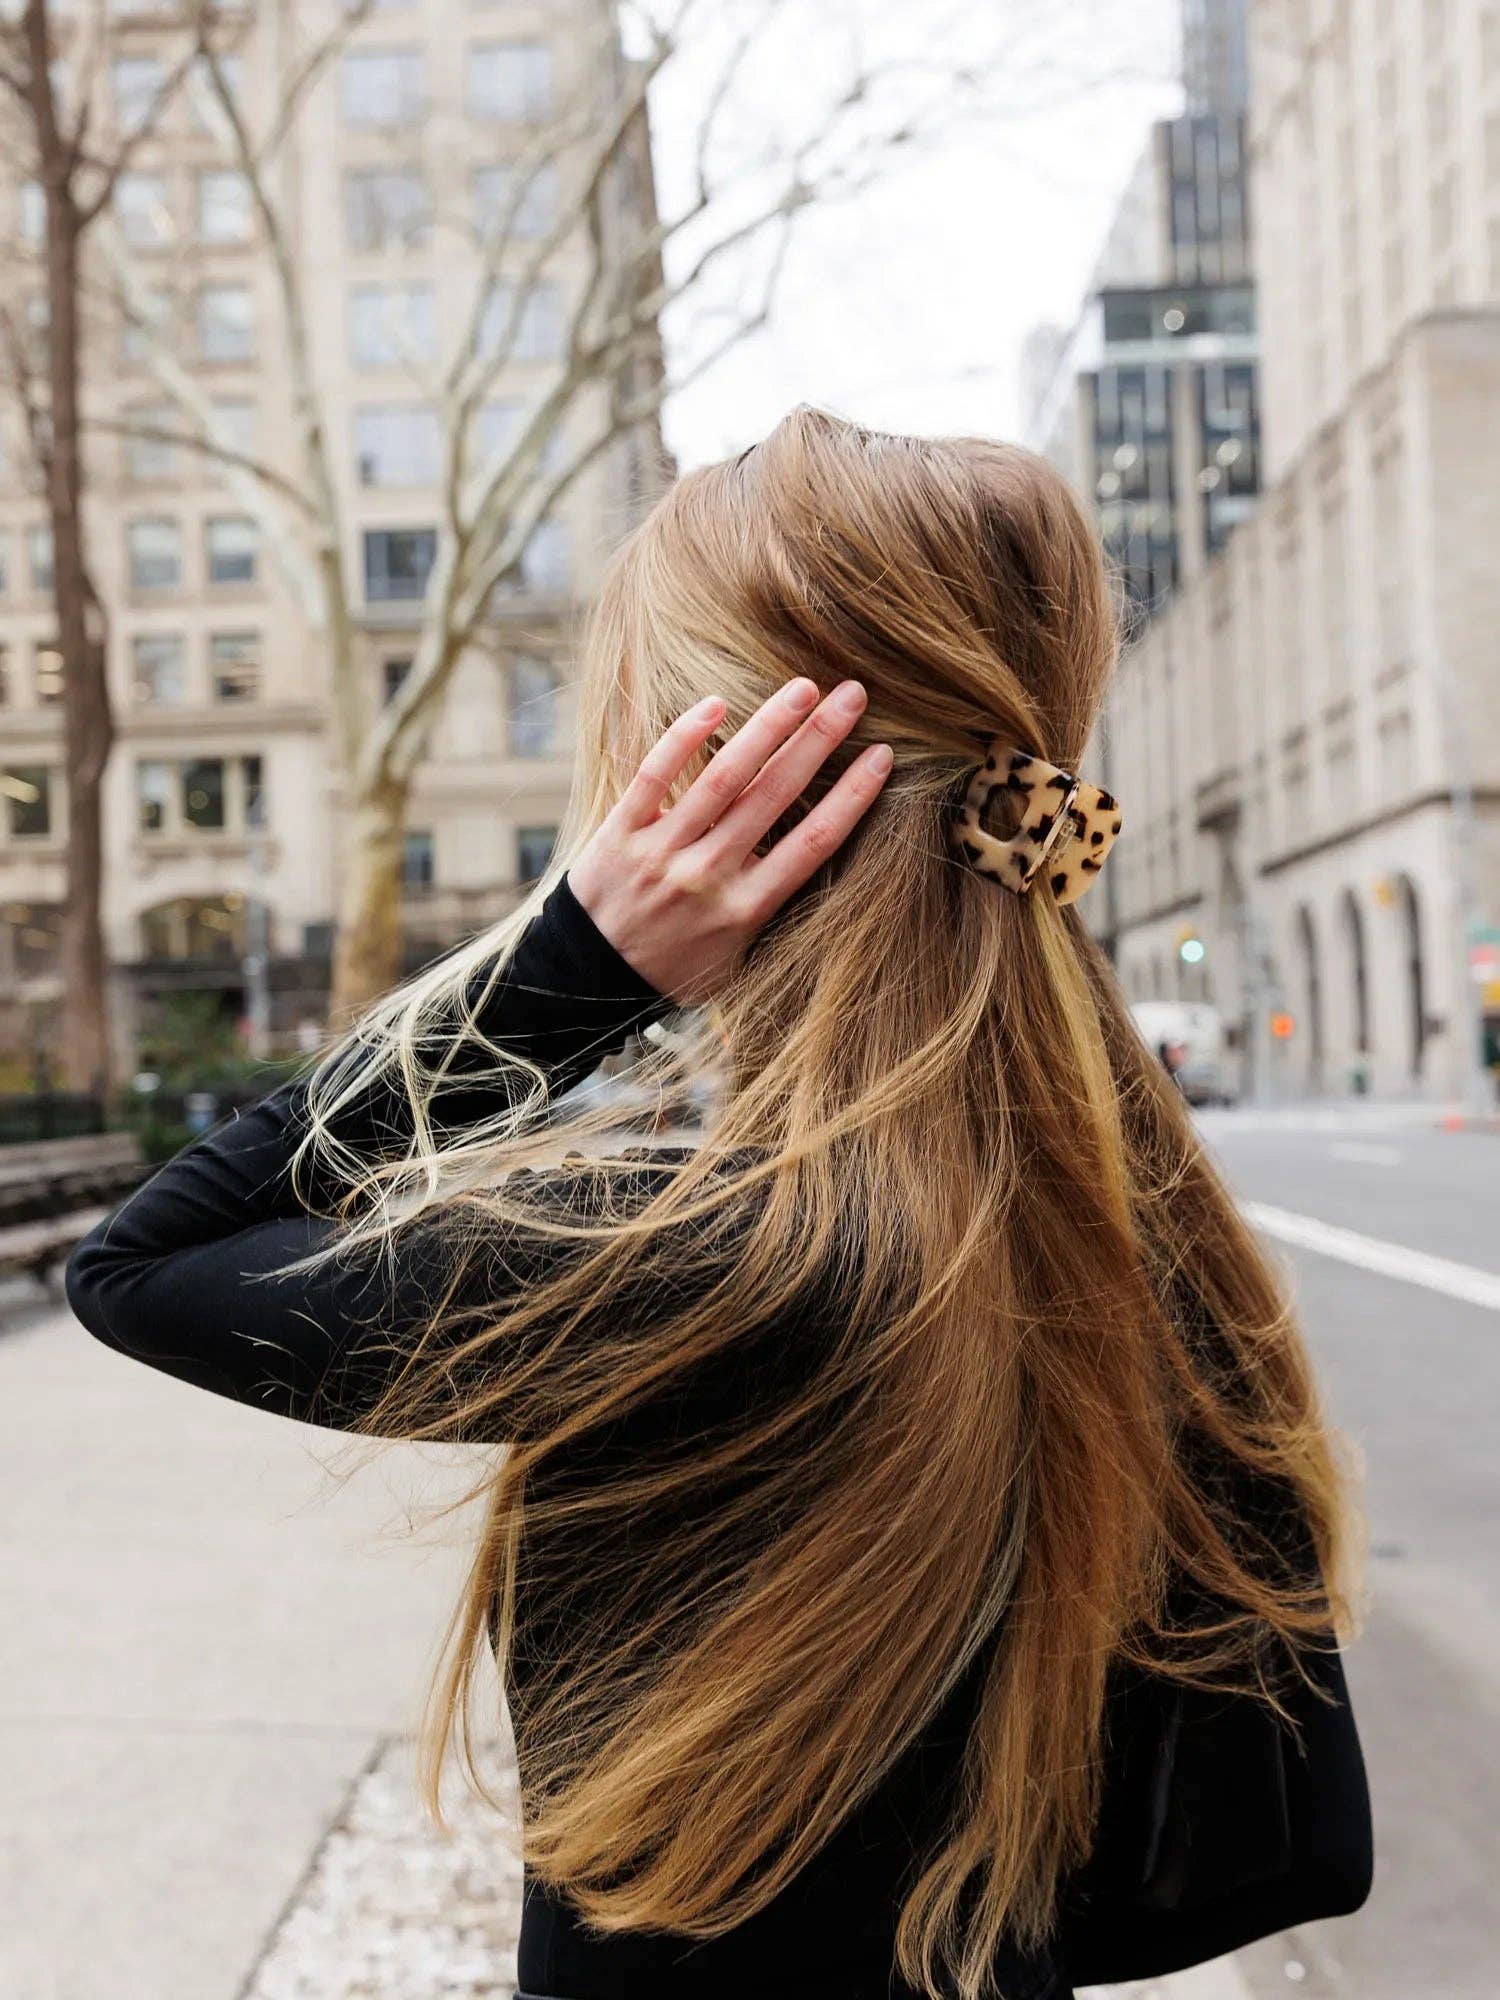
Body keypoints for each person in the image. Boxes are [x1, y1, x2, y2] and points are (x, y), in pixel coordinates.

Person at [67, 409, 1370, 2000]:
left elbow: (145, 1262)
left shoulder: (701, 1257)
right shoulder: (1140, 1226)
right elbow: (1287, 1851)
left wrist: (567, 971)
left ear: (711, 793)